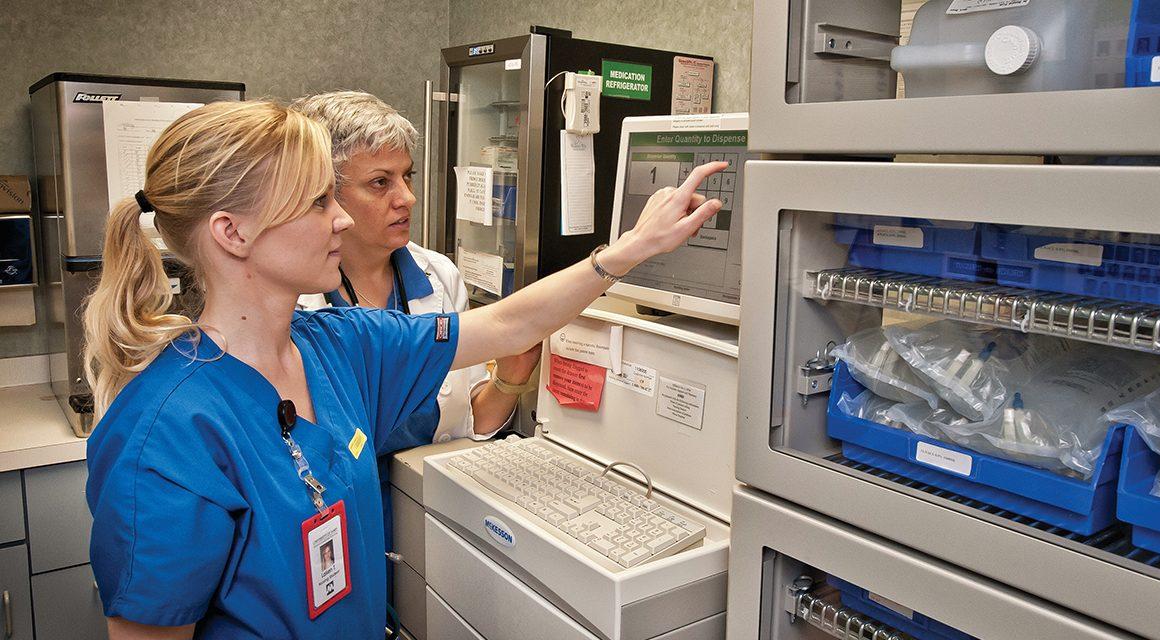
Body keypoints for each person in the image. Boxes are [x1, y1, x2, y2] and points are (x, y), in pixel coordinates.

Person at [82, 99, 724, 639]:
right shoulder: (164, 433)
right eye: (314, 203)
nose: (339, 217)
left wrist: (633, 249)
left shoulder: (340, 346)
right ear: (233, 233)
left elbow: (508, 325)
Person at [291, 91, 535, 444]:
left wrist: (510, 378)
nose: (407, 197)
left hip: (422, 488)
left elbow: (467, 422)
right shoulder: (292, 294)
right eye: (380, 182)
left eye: (408, 176)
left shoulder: (438, 275)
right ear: (326, 192)